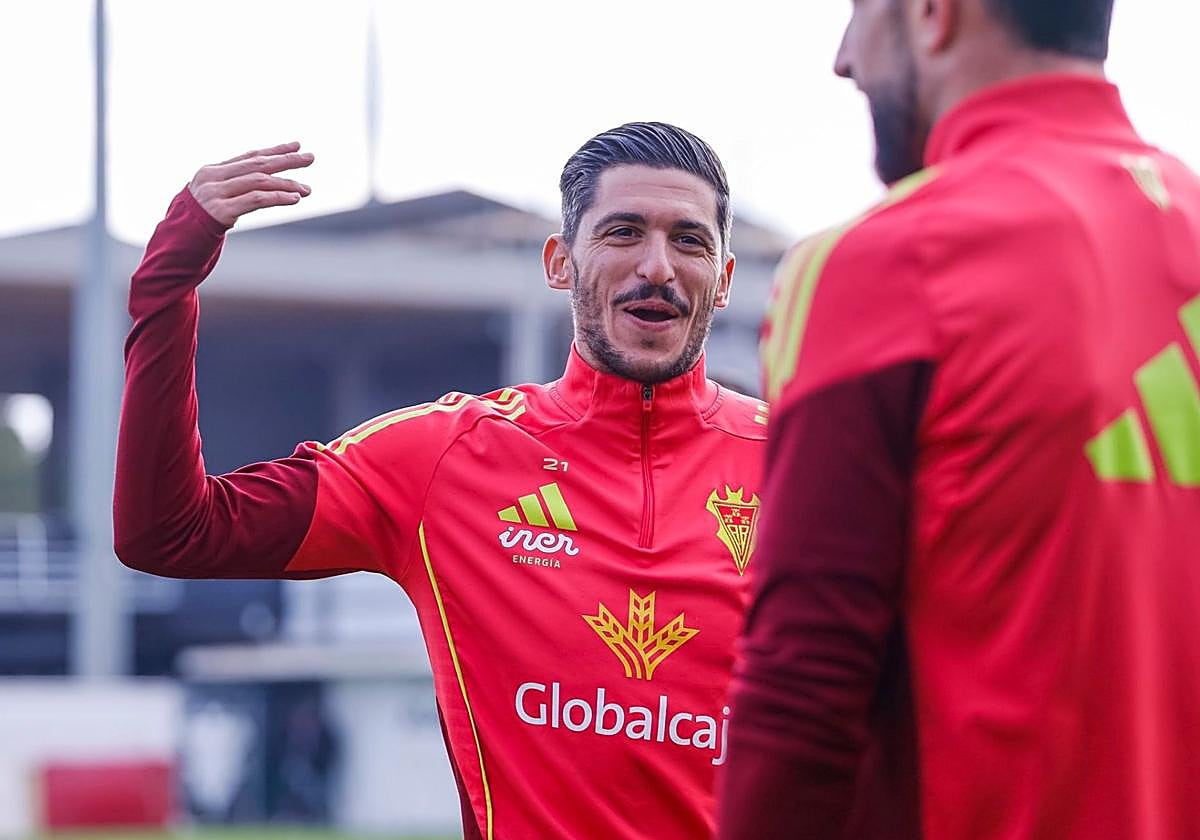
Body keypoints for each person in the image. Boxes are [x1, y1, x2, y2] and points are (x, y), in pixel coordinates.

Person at [114, 123, 767, 840]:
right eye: (623, 232)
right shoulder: (445, 457)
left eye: (689, 240)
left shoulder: (796, 463)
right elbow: (170, 532)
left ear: (724, 279)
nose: (657, 266)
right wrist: (168, 280)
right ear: (560, 263)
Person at [718, 1, 1200, 838]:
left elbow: (801, 695)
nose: (844, 58)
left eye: (860, 12)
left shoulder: (888, 264)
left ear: (934, 14)